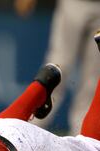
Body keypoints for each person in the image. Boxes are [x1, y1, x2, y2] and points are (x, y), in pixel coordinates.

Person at [15, 0, 100, 135]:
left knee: (94, 78)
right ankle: (27, 132)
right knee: (58, 67)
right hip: (74, 4)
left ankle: (82, 138)